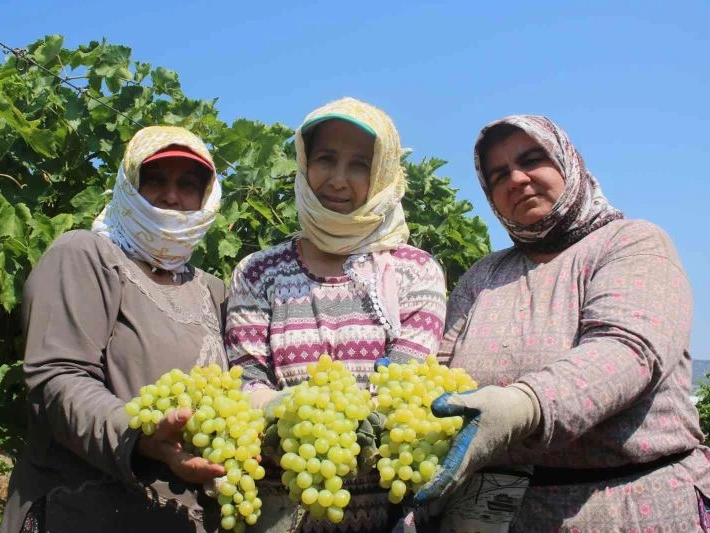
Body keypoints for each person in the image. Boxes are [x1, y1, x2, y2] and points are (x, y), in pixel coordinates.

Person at [413, 115, 710, 531]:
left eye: (532, 160)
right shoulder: (484, 275)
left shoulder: (632, 242)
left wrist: (524, 405)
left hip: (629, 507)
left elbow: (627, 350)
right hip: (497, 514)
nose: (516, 179)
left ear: (568, 164)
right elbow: (440, 370)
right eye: (498, 175)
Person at [225, 97, 448, 532]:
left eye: (361, 165)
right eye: (325, 158)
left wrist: (347, 426)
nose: (339, 179)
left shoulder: (414, 270)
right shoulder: (257, 271)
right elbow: (247, 377)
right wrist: (277, 408)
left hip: (391, 517)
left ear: (383, 173)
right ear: (304, 164)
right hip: (282, 511)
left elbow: (406, 379)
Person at [1, 126, 229, 533]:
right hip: (84, 513)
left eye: (188, 184)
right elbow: (57, 379)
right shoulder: (85, 256)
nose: (170, 196)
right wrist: (138, 435)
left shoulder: (212, 290)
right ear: (127, 186)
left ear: (205, 199)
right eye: (154, 180)